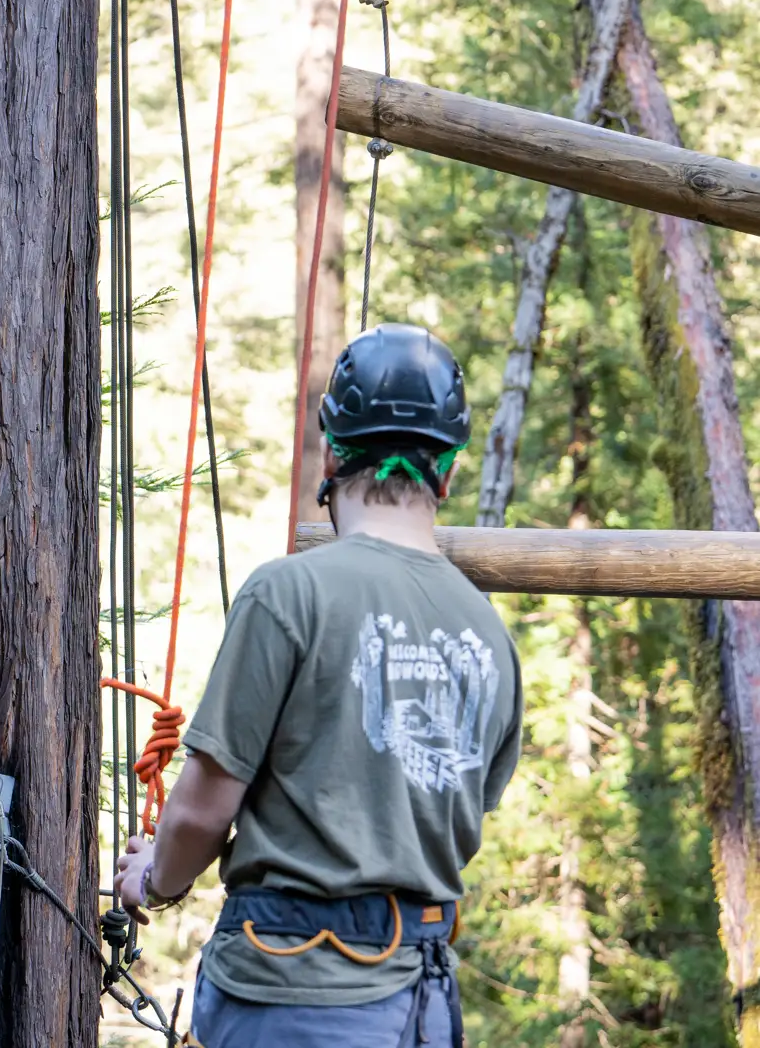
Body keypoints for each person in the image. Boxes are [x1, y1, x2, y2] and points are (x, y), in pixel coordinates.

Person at [113, 323, 524, 1048]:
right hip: (423, 1002)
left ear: (332, 453)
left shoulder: (289, 593)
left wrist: (154, 880)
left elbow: (203, 810)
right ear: (448, 470)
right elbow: (453, 817)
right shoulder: (489, 634)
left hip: (296, 992)